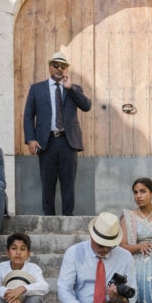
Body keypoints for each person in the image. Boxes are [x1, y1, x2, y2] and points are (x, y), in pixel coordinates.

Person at [57, 211, 137, 303]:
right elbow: (64, 289)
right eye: (101, 244)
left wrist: (117, 300)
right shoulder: (74, 253)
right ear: (92, 236)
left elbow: (132, 299)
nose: (105, 249)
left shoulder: (125, 257)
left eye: (110, 246)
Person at [23, 50, 92, 215]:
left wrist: (71, 89)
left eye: (63, 66)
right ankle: (49, 219)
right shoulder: (37, 89)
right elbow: (28, 116)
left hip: (68, 142)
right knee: (48, 184)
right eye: (56, 65)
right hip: (46, 142)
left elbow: (87, 106)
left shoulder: (73, 89)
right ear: (49, 67)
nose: (59, 69)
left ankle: (68, 217)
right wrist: (31, 139)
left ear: (67, 69)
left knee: (68, 183)